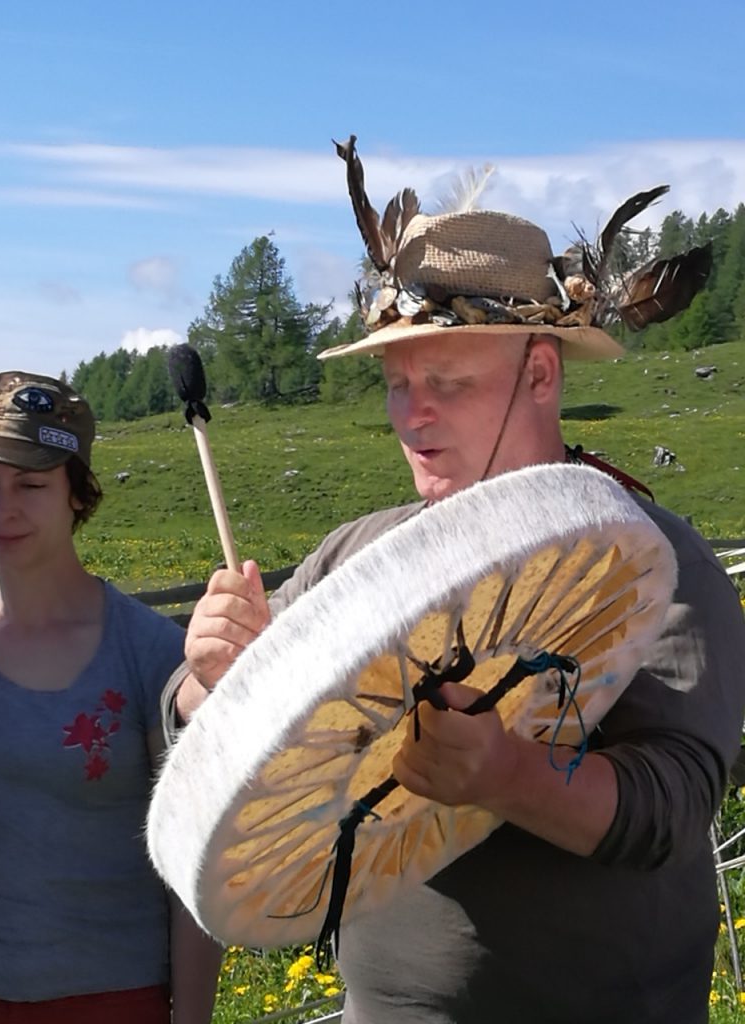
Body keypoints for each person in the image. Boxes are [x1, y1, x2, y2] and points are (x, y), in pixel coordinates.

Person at [162, 144, 745, 1023]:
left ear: (540, 375)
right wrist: (214, 682)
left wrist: (511, 776)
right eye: (398, 384)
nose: (413, 414)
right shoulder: (362, 554)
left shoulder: (648, 556)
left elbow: (671, 804)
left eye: (446, 380)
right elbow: (185, 712)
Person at [0, 371, 221, 1024]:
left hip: (116, 1001)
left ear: (78, 496)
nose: (2, 511)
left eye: (30, 486)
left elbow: (191, 862)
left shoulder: (148, 653)